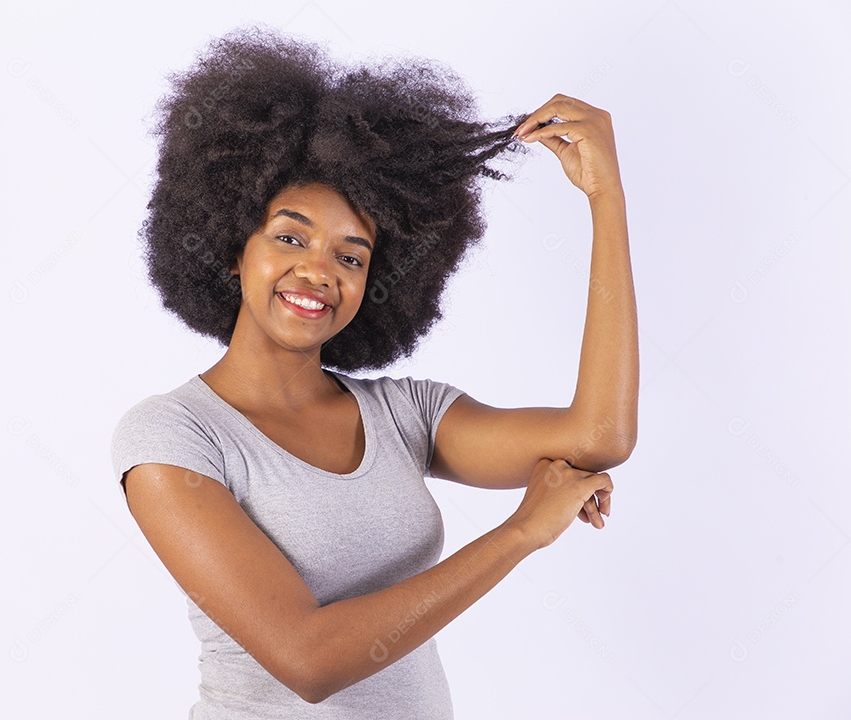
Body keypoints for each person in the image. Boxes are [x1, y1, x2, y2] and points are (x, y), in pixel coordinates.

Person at [111, 25, 637, 719]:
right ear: (234, 247)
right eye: (290, 236)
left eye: (351, 256)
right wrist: (520, 533)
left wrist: (606, 201)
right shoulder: (173, 437)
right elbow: (309, 658)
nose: (318, 271)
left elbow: (598, 436)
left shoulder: (403, 415)